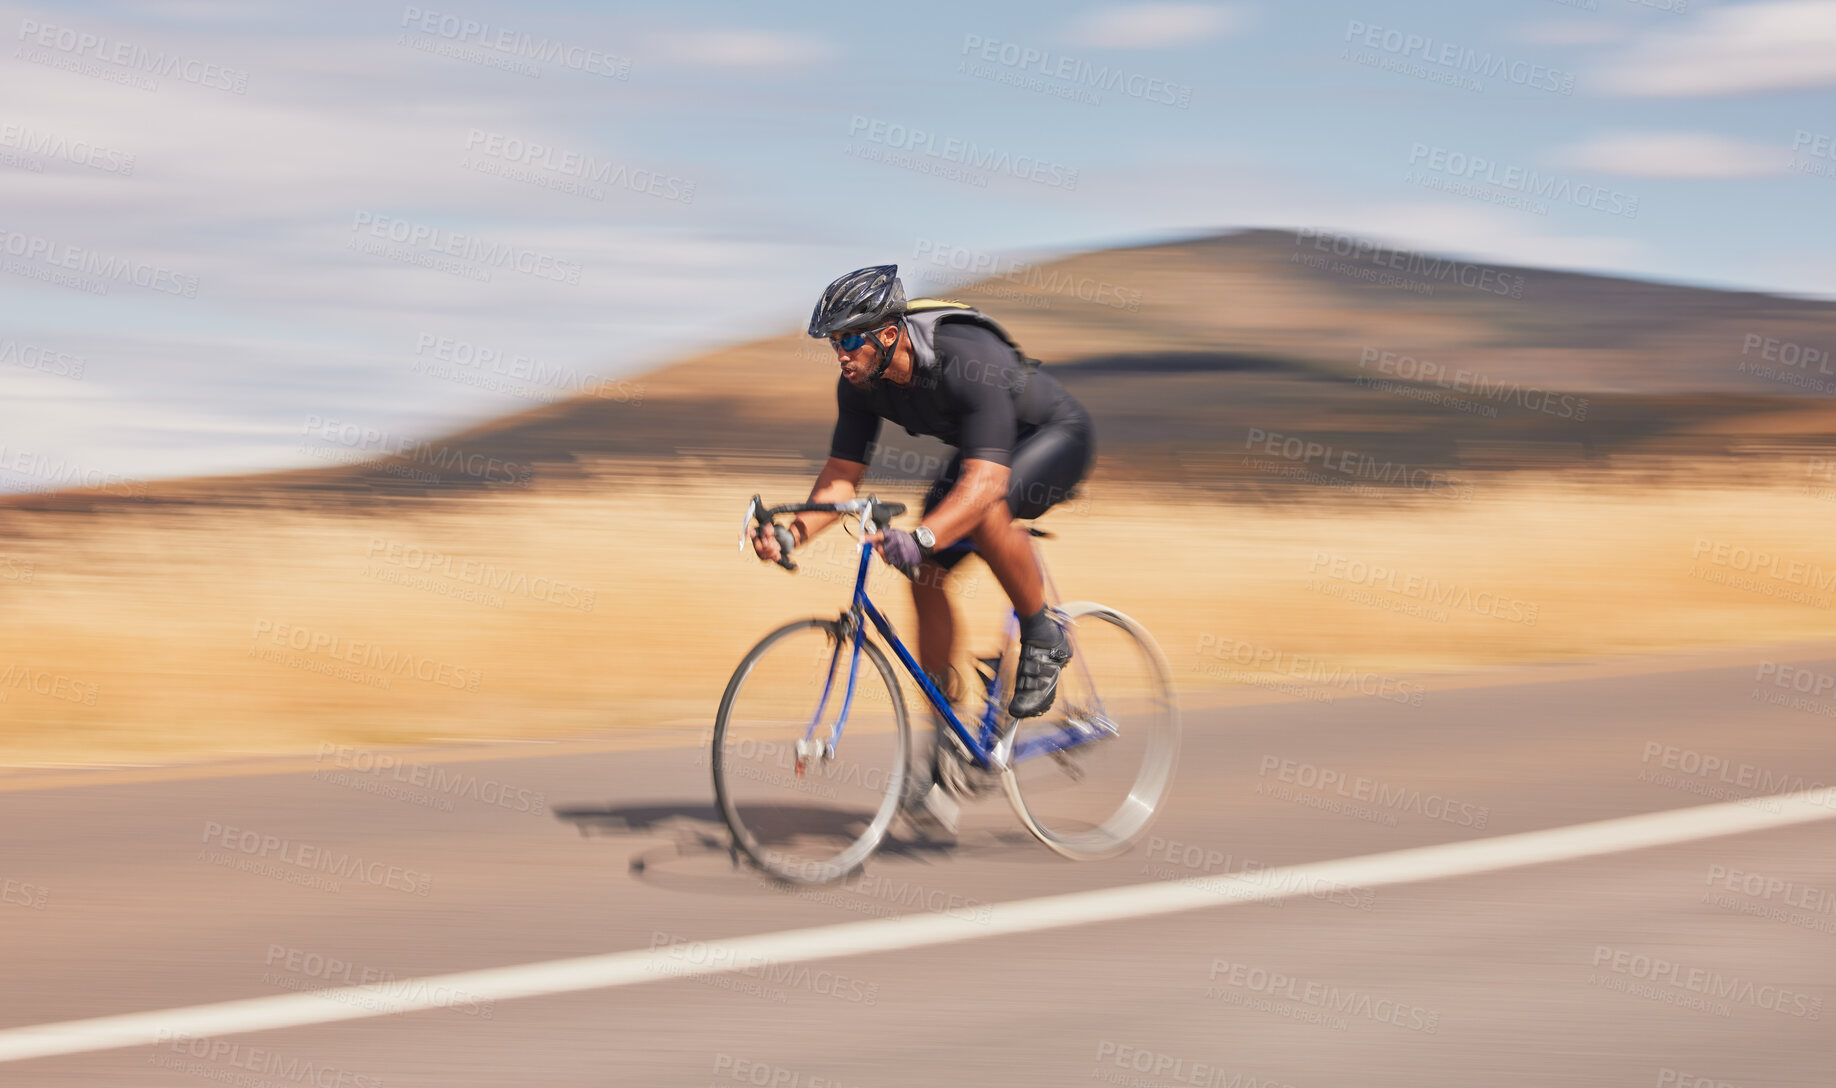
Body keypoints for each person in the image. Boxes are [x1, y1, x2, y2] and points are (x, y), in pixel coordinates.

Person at [749, 265, 1095, 823]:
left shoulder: (965, 356)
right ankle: (948, 741)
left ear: (888, 333)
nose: (840, 352)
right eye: (834, 342)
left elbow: (985, 486)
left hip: (1054, 436)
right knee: (924, 574)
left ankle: (1042, 632)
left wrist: (924, 534)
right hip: (987, 455)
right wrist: (792, 533)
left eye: (850, 338)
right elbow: (842, 475)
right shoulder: (860, 382)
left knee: (982, 515)